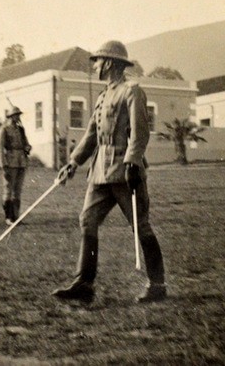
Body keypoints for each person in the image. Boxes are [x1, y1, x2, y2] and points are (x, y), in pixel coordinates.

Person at [53, 40, 166, 303]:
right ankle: (84, 285)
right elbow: (92, 134)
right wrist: (73, 162)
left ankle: (158, 285)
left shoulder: (131, 91)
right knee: (87, 221)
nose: (95, 66)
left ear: (112, 63)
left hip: (125, 172)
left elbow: (140, 131)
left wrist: (133, 162)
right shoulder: (103, 96)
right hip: (99, 172)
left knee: (141, 226)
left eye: (99, 61)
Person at [0, 105, 32, 225]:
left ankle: (16, 217)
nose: (18, 117)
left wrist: (27, 147)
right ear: (10, 116)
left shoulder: (21, 129)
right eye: (16, 115)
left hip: (21, 161)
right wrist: (3, 164)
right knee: (8, 190)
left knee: (17, 190)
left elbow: (25, 143)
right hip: (10, 162)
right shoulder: (4, 129)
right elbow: (0, 148)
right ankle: (8, 217)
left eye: (18, 115)